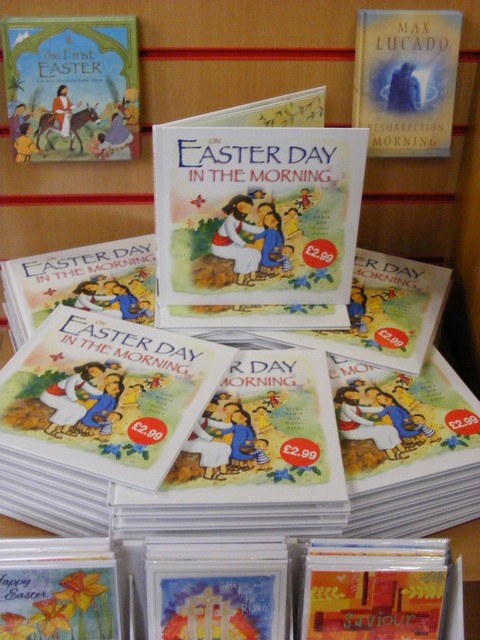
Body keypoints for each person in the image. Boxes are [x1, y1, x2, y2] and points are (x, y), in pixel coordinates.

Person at [333, 386, 407, 461]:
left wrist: (385, 407)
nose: (354, 396)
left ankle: (400, 448)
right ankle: (390, 454)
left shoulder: (353, 405)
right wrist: (374, 423)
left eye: (355, 394)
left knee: (389, 428)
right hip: (350, 431)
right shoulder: (346, 408)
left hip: (358, 427)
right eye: (350, 395)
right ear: (343, 397)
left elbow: (367, 409)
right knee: (378, 432)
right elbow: (358, 419)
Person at [40, 362, 105, 438]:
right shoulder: (74, 378)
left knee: (82, 409)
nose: (93, 375)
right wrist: (77, 400)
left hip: (61, 397)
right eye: (93, 371)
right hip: (50, 396)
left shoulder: (82, 380)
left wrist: (105, 392)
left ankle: (66, 428)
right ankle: (50, 429)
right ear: (86, 368)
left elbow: (91, 389)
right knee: (68, 407)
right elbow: (69, 390)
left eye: (97, 374)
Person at [211, 195, 263, 286]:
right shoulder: (229, 221)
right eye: (243, 208)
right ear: (234, 205)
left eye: (248, 209)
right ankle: (241, 280)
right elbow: (233, 236)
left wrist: (265, 230)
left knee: (255, 252)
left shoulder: (238, 220)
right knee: (243, 255)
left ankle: (253, 275)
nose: (245, 212)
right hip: (219, 247)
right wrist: (245, 244)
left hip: (229, 245)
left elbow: (250, 228)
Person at [181, 400, 233, 480]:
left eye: (213, 409)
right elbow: (199, 432)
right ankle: (209, 474)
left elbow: (219, 424)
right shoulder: (192, 417)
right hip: (186, 442)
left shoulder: (203, 419)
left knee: (224, 446)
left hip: (197, 440)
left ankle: (223, 469)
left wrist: (235, 425)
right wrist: (212, 438)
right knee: (210, 448)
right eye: (209, 408)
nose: (210, 411)